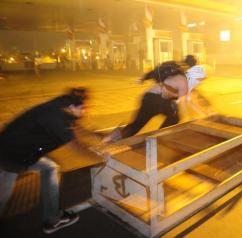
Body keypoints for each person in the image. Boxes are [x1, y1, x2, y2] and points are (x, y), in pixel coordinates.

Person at [0, 87, 89, 234]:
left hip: (18, 149)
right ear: (72, 107)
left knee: (50, 168)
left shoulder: (60, 108)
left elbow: (77, 129)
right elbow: (76, 147)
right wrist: (102, 156)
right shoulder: (55, 119)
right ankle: (52, 220)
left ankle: (52, 219)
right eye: (84, 107)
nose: (86, 111)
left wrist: (99, 135)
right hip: (11, 155)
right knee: (3, 193)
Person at [103, 61, 189, 142]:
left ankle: (115, 136)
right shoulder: (183, 82)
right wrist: (188, 120)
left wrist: (143, 79)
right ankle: (160, 138)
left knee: (137, 124)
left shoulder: (173, 76)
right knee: (175, 117)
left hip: (148, 97)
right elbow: (182, 103)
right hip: (157, 100)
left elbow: (153, 73)